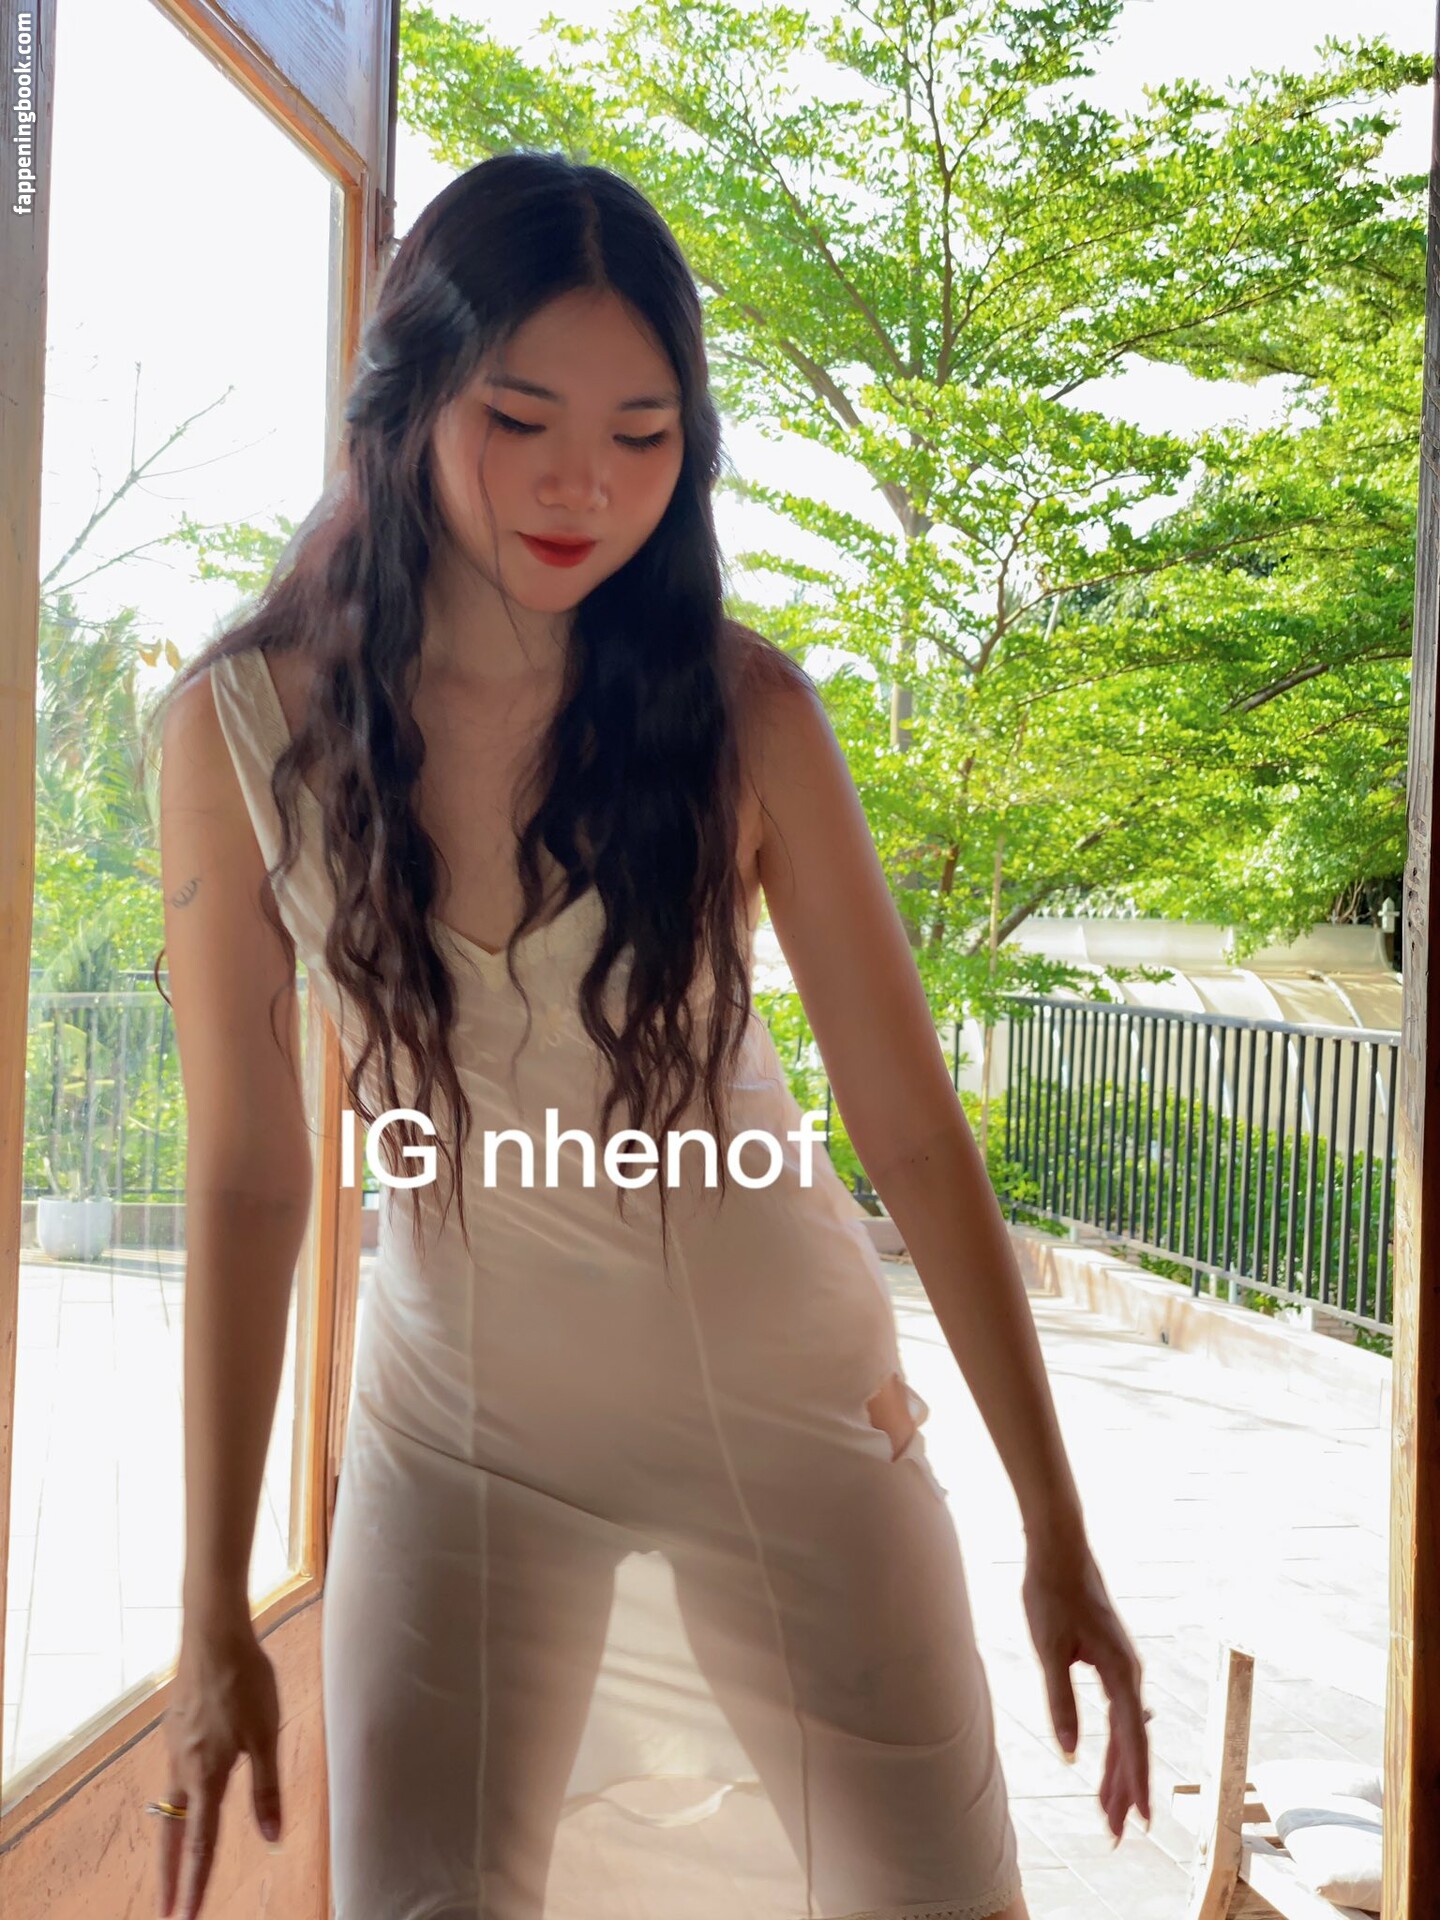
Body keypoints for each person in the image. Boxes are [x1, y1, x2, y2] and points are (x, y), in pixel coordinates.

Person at [148, 150, 1151, 1920]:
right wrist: (210, 1601)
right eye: (521, 417)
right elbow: (244, 1174)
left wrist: (1055, 1529)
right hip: (459, 1443)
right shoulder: (240, 730)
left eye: (642, 432)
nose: (583, 485)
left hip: (787, 1416)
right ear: (407, 402)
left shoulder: (747, 713)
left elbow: (916, 1135)